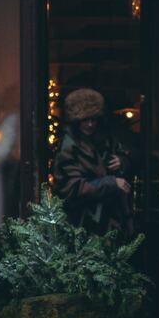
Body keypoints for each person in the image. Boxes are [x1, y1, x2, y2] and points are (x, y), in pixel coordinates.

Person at [53, 87, 135, 236]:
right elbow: (72, 188)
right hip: (80, 224)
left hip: (111, 221)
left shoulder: (106, 140)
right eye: (85, 120)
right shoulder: (68, 147)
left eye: (93, 119)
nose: (90, 124)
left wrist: (122, 161)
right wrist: (112, 183)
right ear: (76, 121)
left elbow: (127, 157)